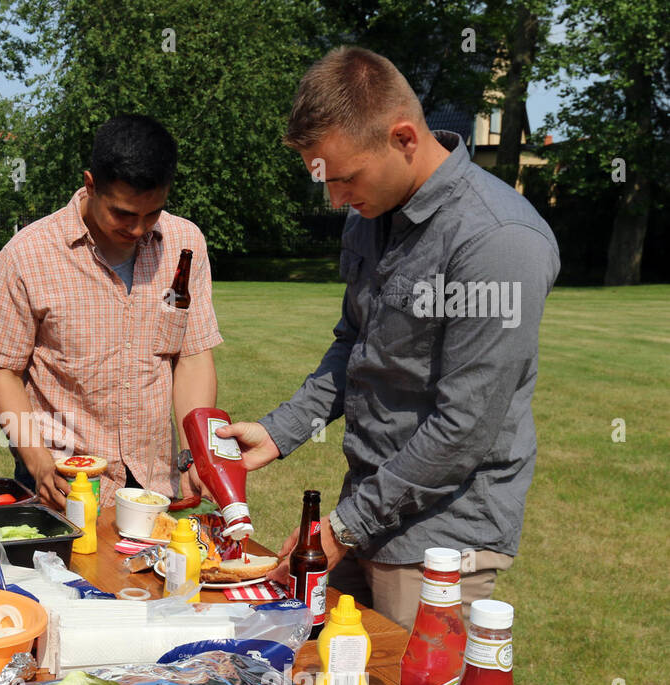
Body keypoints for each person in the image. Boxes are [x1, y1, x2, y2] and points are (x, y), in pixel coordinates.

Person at [220, 47, 559, 631]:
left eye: (345, 178)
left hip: (442, 536)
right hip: (368, 511)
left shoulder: (497, 241)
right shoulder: (370, 216)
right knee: (317, 678)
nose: (335, 201)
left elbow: (464, 430)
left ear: (404, 137)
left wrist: (342, 528)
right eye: (324, 181)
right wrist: (281, 432)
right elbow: (355, 345)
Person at [0, 114, 221, 509]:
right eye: (123, 213)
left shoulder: (185, 244)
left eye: (152, 212)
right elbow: (3, 370)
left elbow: (191, 358)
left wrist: (194, 455)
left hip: (155, 479)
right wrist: (38, 464)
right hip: (62, 480)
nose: (138, 228)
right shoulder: (26, 255)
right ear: (91, 185)